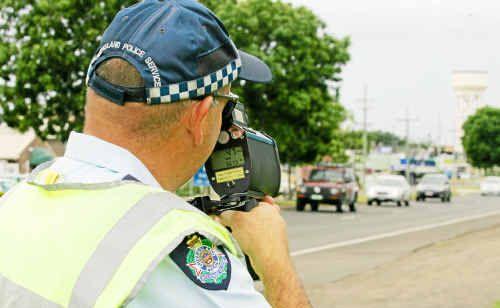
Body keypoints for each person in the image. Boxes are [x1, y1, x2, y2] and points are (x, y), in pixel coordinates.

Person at [0, 0, 311, 307]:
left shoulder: (20, 200)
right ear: (201, 115)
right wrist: (275, 264)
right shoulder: (169, 250)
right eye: (227, 102)